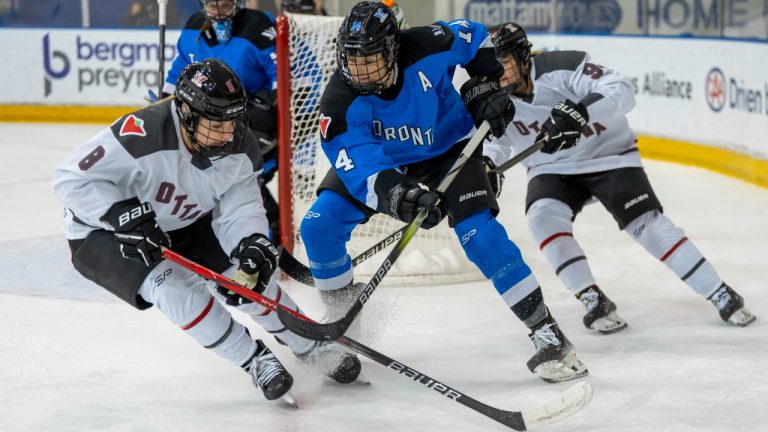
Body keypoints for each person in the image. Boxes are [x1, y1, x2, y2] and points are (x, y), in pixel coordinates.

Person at [299, 2, 588, 383]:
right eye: (352, 61)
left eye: (370, 59)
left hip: (450, 150)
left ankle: (548, 334)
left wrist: (483, 84)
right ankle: (343, 323)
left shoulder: (429, 43)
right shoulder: (339, 102)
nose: (360, 71)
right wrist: (399, 197)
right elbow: (359, 166)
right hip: (386, 164)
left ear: (394, 48)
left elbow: (477, 35)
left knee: (480, 236)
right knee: (318, 227)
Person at [52, 59, 362, 406]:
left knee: (246, 276)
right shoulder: (140, 134)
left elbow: (240, 208)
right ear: (186, 112)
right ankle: (253, 360)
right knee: (172, 287)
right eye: (216, 123)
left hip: (182, 219)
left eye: (233, 120)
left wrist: (250, 243)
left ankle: (309, 343)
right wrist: (119, 214)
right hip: (101, 233)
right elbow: (71, 179)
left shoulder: (238, 144)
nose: (228, 133)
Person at [483, 22, 756, 333]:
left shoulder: (562, 67)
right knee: (541, 218)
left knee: (646, 224)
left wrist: (581, 111)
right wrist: (487, 164)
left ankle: (718, 291)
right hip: (552, 169)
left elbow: (622, 90)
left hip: (609, 156)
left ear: (523, 58)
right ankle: (591, 297)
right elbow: (495, 141)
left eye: (503, 63)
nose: (498, 73)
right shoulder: (492, 97)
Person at [162, 0, 283, 245]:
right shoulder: (194, 27)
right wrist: (164, 102)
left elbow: (282, 77)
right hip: (213, 124)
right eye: (211, 5)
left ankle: (270, 238)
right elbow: (178, 74)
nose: (218, 12)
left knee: (239, 178)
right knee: (217, 180)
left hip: (255, 120)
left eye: (225, 5)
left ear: (239, 3)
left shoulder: (258, 26)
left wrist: (275, 120)